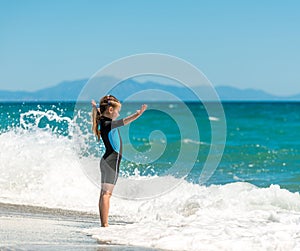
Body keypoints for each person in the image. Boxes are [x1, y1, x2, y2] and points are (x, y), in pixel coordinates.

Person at [91, 95, 147, 227]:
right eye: (117, 110)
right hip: (112, 161)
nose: (118, 113)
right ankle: (105, 225)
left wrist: (96, 107)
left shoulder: (102, 121)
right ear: (110, 110)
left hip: (106, 161)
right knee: (106, 194)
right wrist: (138, 114)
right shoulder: (109, 124)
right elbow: (125, 121)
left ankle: (103, 224)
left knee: (104, 194)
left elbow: (100, 113)